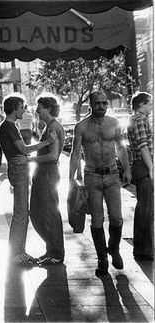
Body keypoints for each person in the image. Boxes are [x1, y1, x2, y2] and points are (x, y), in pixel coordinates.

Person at [69, 90, 131, 276]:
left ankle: (114, 248)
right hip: (92, 176)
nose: (102, 106)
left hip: (112, 175)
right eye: (98, 103)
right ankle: (102, 258)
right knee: (97, 219)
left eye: (105, 103)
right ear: (91, 105)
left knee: (116, 218)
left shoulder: (114, 123)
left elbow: (121, 147)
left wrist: (126, 169)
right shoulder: (81, 126)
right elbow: (74, 153)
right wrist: (71, 178)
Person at [0, 94, 56, 267]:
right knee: (21, 213)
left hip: (19, 168)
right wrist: (47, 142)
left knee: (23, 213)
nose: (24, 109)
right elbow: (23, 149)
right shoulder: (8, 126)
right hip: (17, 168)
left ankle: (19, 252)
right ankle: (16, 253)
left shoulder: (10, 125)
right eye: (21, 106)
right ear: (14, 108)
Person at [29, 96, 65, 266]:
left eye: (40, 108)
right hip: (43, 174)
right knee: (37, 214)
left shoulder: (53, 127)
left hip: (48, 174)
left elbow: (53, 155)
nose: (37, 111)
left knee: (49, 214)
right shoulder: (49, 126)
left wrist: (29, 160)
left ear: (49, 108)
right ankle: (51, 249)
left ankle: (56, 253)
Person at [127, 92, 153, 261]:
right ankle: (143, 249)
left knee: (145, 206)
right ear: (141, 104)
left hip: (141, 165)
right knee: (146, 208)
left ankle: (143, 247)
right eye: (150, 103)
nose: (152, 106)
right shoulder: (140, 120)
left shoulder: (135, 119)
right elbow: (144, 146)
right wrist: (151, 168)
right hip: (143, 166)